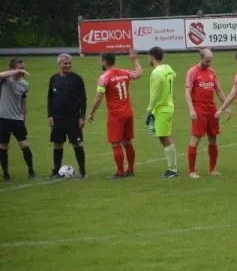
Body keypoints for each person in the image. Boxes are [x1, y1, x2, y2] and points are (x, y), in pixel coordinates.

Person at [87, 51, 143, 179]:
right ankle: (130, 170)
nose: (100, 62)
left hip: (116, 115)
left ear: (104, 62)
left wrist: (91, 113)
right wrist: (134, 60)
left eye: (101, 60)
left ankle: (120, 172)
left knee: (115, 143)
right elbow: (139, 73)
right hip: (128, 113)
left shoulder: (104, 78)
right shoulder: (124, 73)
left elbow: (98, 98)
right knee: (127, 142)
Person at [185, 49, 231, 178]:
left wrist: (226, 106)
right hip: (199, 110)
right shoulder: (192, 72)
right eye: (207, 61)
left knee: (213, 138)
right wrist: (191, 109)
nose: (209, 63)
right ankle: (191, 171)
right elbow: (187, 92)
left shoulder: (212, 72)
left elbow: (219, 91)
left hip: (212, 110)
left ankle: (212, 169)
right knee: (196, 138)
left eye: (210, 61)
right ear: (201, 58)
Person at [47, 53, 87, 179]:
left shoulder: (77, 79)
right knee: (57, 144)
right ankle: (56, 170)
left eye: (69, 63)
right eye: (65, 63)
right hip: (57, 118)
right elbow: (50, 98)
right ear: (59, 64)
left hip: (73, 118)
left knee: (76, 143)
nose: (68, 65)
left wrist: (82, 117)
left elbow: (83, 99)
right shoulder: (53, 79)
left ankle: (82, 171)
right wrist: (50, 115)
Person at [147, 47, 179, 178]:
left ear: (152, 57)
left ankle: (173, 169)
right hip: (168, 106)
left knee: (165, 138)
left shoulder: (156, 73)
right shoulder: (168, 68)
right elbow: (174, 75)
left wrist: (149, 110)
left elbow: (154, 94)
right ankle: (173, 168)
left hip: (161, 109)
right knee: (164, 137)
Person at [0, 60, 34, 181]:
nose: (23, 70)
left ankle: (31, 171)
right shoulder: (5, 81)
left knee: (24, 145)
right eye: (20, 68)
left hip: (17, 119)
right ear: (12, 69)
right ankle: (6, 174)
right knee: (3, 147)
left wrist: (23, 119)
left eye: (23, 67)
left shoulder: (24, 84)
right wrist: (15, 71)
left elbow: (23, 103)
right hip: (3, 118)